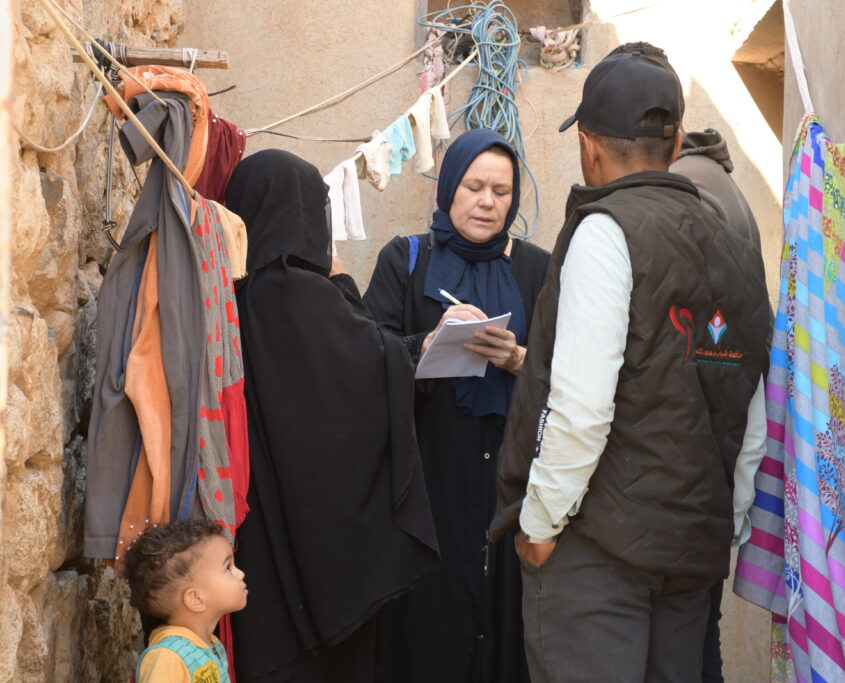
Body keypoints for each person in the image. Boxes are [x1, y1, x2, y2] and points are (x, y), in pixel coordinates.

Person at [490, 52, 771, 683]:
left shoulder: (606, 228)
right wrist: (732, 519)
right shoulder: (731, 238)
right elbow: (752, 393)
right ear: (674, 141)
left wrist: (538, 523)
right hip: (690, 552)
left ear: (588, 147)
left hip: (598, 556)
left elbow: (582, 405)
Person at [224, 149, 440, 682]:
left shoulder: (233, 292)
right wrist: (343, 285)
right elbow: (373, 367)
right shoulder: (303, 293)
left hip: (258, 533)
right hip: (325, 555)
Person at [608, 41, 769, 683]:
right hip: (707, 489)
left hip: (678, 492)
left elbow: (696, 364)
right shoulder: (718, 187)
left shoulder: (683, 202)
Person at [364, 129, 549, 683]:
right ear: (449, 187)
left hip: (510, 481)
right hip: (428, 479)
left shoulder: (537, 269)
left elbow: (566, 371)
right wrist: (427, 343)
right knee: (429, 625)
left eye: (501, 190)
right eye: (474, 186)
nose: (488, 202)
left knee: (504, 621)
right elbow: (366, 360)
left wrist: (518, 360)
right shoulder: (408, 261)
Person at [125, 520, 247, 683]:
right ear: (196, 599)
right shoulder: (168, 657)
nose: (240, 574)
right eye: (227, 568)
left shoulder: (209, 644)